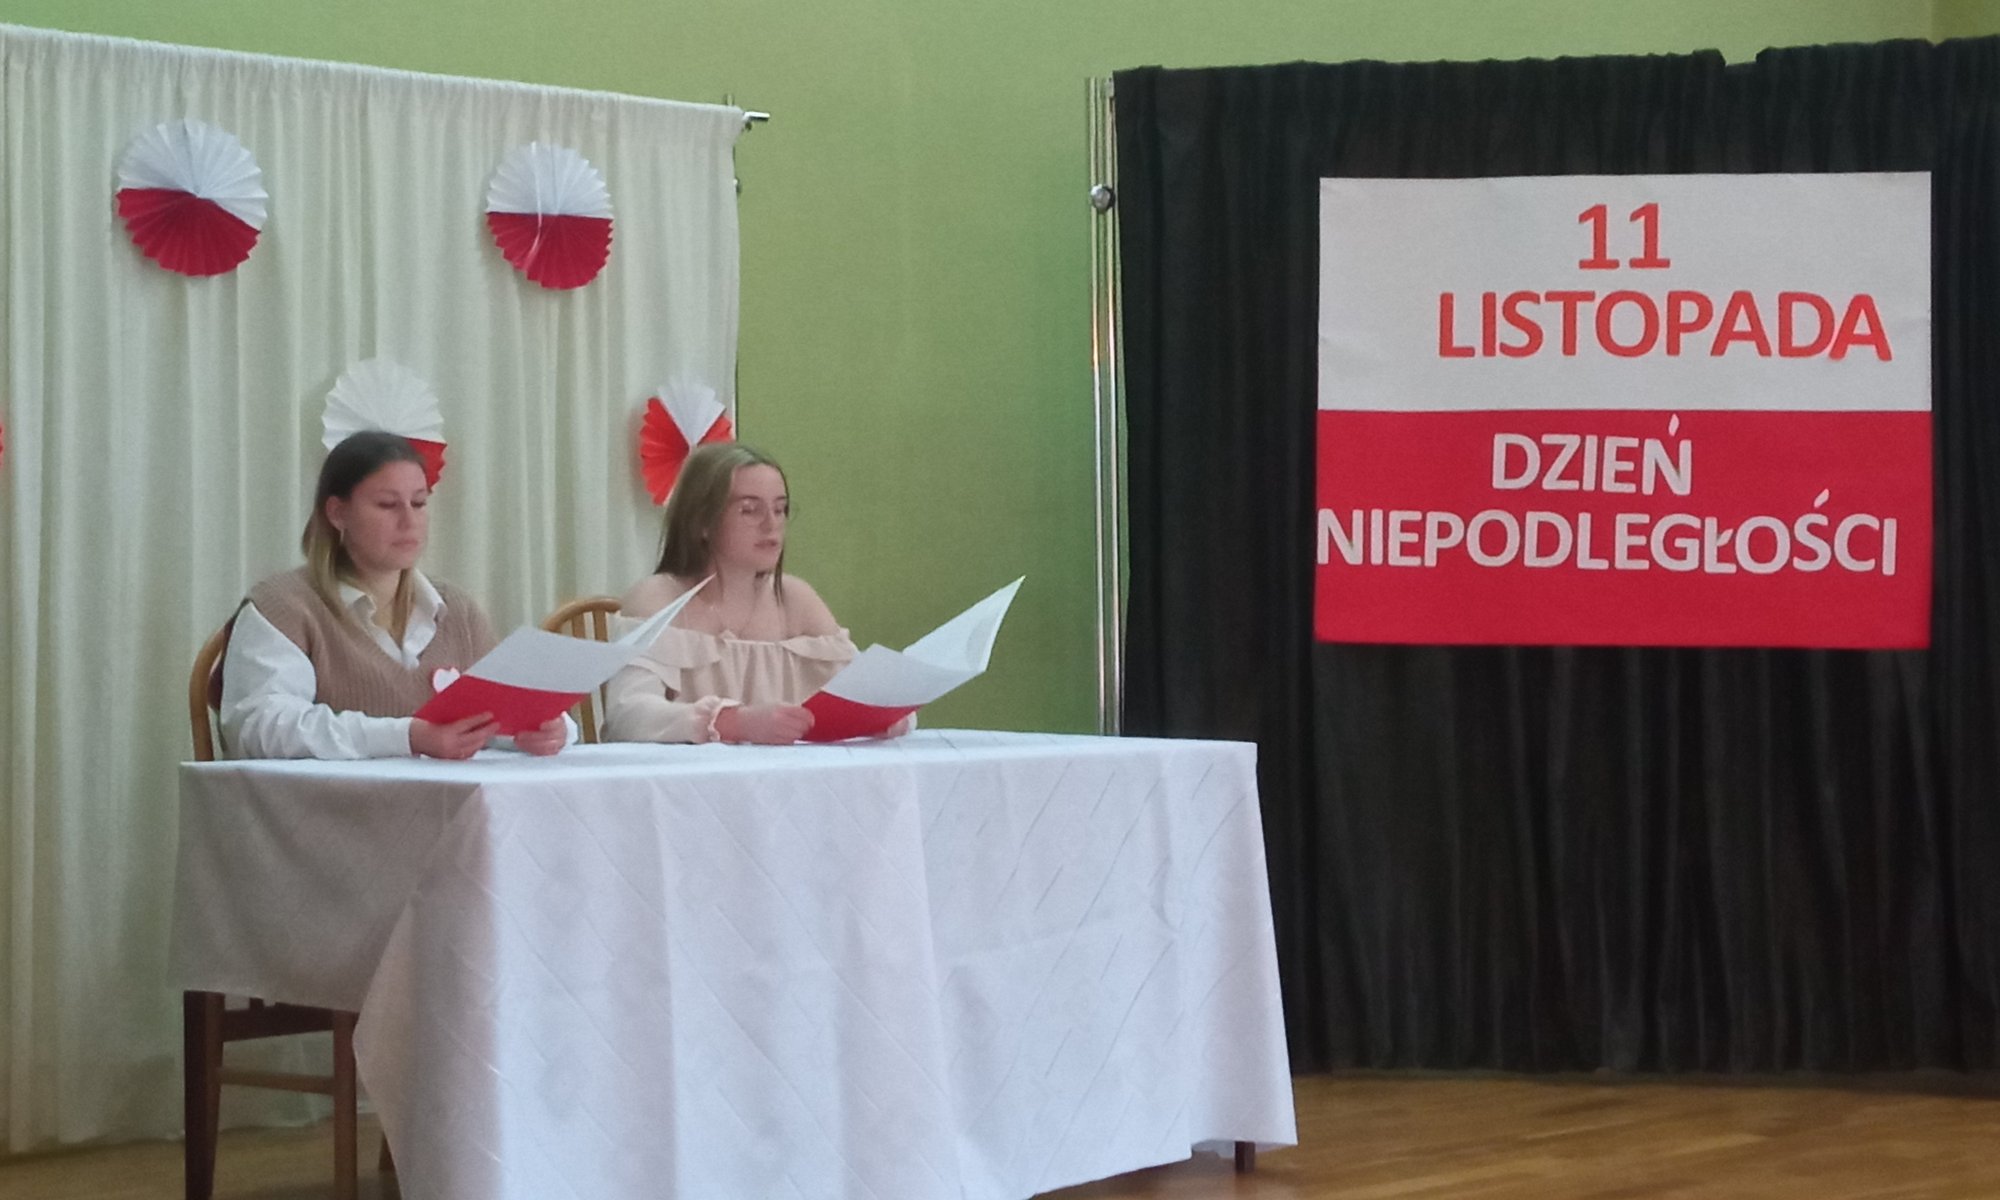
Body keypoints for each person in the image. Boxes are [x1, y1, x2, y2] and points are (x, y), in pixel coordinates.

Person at [219, 430, 569, 759]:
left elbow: (498, 713)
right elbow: (259, 726)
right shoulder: (284, 607)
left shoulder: (457, 611)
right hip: (329, 804)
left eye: (419, 503)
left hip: (444, 802)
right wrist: (406, 737)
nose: (409, 521)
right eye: (388, 505)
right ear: (338, 512)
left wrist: (546, 729)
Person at [605, 441, 899, 744]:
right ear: (702, 521)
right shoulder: (659, 598)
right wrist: (731, 722)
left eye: (780, 509)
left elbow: (870, 694)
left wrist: (885, 714)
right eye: (749, 510)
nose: (771, 525)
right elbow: (628, 716)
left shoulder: (796, 599)